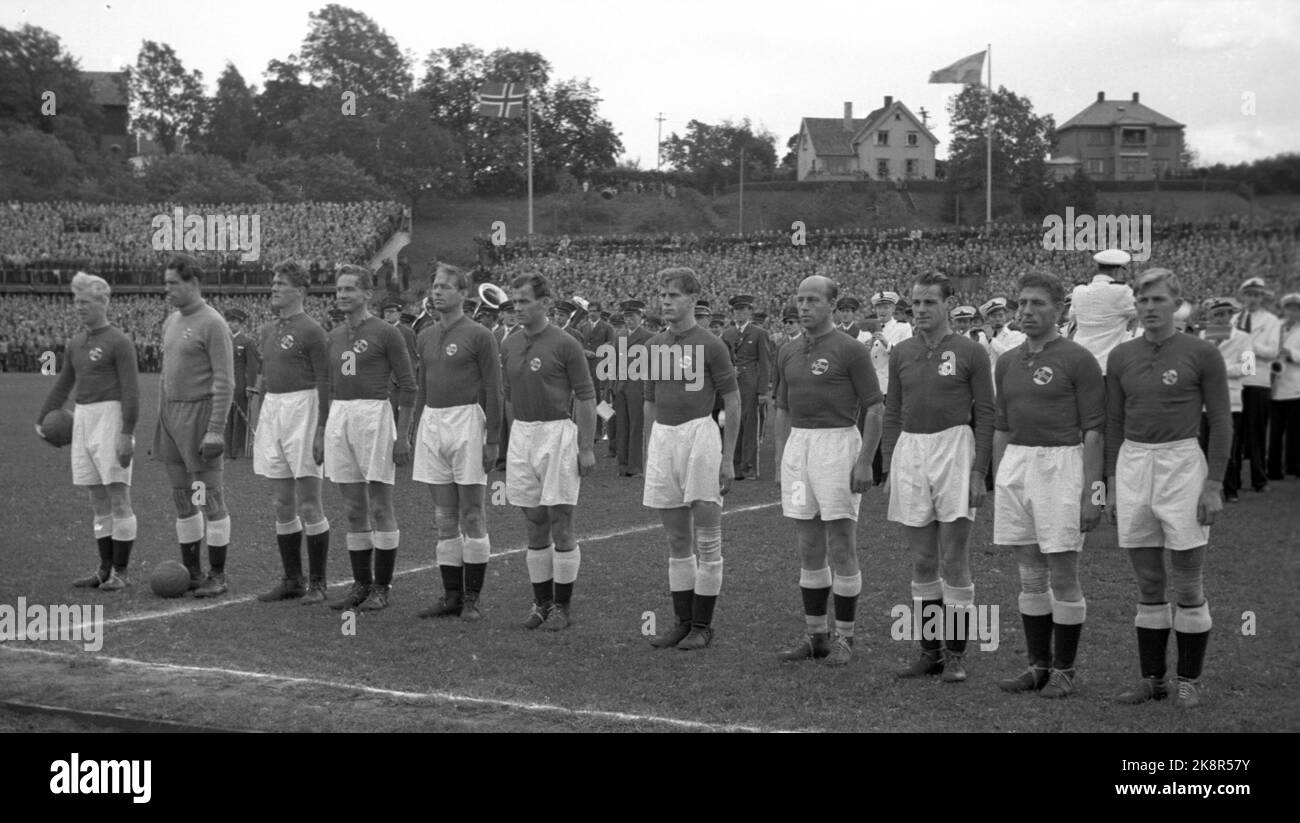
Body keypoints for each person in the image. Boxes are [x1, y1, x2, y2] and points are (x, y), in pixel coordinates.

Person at [1105, 268, 1230, 708]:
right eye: (1142, 300)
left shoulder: (1202, 353)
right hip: (1135, 463)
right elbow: (1114, 423)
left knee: (1188, 582)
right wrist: (1112, 485)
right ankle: (1152, 679)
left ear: (1177, 303)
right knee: (1148, 581)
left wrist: (1214, 483)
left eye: (1158, 299)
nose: (1149, 307)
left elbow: (1220, 419)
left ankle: (1189, 678)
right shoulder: (1121, 357)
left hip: (1182, 464)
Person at [991, 271, 1105, 698]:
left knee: (1062, 570)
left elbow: (1094, 430)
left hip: (1062, 464)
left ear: (1059, 309)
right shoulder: (1006, 360)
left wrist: (1093, 492)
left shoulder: (1078, 359)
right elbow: (1001, 426)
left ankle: (1065, 669)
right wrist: (1001, 477)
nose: (1027, 311)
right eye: (1022, 303)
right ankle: (1037, 665)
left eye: (1037, 303)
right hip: (1017, 464)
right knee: (1029, 572)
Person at [883, 271, 995, 682]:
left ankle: (957, 653)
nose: (921, 310)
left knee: (954, 557)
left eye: (930, 302)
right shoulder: (902, 352)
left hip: (955, 449)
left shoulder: (970, 351)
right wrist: (891, 463)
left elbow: (986, 412)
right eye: (915, 303)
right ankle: (930, 652)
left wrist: (979, 471)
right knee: (923, 558)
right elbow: (892, 410)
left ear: (948, 304)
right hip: (912, 450)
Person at [773, 275, 883, 666]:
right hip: (800, 449)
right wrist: (781, 460)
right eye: (800, 299)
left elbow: (874, 407)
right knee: (808, 545)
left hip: (838, 447)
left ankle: (846, 637)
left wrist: (865, 460)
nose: (804, 306)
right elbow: (782, 408)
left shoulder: (851, 350)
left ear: (832, 304)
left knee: (840, 544)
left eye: (813, 300)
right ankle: (815, 634)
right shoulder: (787, 350)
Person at [643, 268, 741, 651]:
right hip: (665, 438)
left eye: (673, 295)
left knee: (707, 535)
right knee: (676, 537)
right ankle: (682, 623)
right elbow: (649, 399)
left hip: (700, 435)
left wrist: (728, 457)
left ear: (692, 300)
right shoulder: (652, 345)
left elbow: (732, 401)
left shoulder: (712, 345)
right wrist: (651, 445)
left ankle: (703, 625)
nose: (665, 301)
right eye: (662, 294)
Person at [499, 273, 597, 630]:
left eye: (525, 301)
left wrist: (586, 447)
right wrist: (514, 438)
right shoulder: (508, 344)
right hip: (522, 434)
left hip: (557, 434)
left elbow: (586, 398)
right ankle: (540, 603)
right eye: (515, 302)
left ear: (544, 303)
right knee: (534, 521)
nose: (518, 308)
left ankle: (562, 606)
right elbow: (508, 396)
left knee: (561, 521)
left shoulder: (565, 343)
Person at [36, 272, 140, 591]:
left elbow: (132, 391)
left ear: (103, 302)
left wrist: (127, 432)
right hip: (82, 418)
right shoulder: (75, 343)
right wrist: (42, 420)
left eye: (85, 301)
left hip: (111, 418)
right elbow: (64, 384)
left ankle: (120, 572)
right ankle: (103, 568)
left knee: (118, 496)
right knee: (97, 500)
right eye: (76, 301)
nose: (78, 307)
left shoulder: (119, 341)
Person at [323, 266, 417, 612]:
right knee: (352, 509)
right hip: (341, 414)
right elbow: (328, 386)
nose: (343, 295)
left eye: (350, 289)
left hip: (374, 416)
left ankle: (382, 586)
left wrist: (403, 434)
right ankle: (360, 585)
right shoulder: (332, 335)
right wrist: (323, 429)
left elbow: (408, 384)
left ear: (367, 294)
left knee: (380, 506)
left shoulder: (387, 333)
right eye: (339, 289)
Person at [412, 264, 502, 622]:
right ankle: (450, 595)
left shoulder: (480, 335)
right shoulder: (424, 335)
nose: (438, 292)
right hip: (434, 422)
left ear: (463, 294)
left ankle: (472, 598)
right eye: (435, 286)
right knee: (444, 517)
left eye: (447, 287)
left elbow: (494, 389)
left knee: (472, 513)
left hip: (467, 421)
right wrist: (416, 427)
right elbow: (422, 384)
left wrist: (493, 438)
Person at [153, 254, 235, 597]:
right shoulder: (170, 322)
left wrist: (215, 428)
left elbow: (225, 381)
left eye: (173, 283)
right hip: (170, 418)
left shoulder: (213, 323)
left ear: (193, 283)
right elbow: (164, 375)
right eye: (166, 282)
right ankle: (193, 571)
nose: (167, 289)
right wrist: (163, 419)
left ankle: (218, 574)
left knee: (209, 498)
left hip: (200, 419)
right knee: (181, 498)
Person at [251, 260, 333, 604]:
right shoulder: (268, 330)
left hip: (305, 408)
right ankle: (292, 579)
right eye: (273, 281)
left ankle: (318, 583)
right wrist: (260, 419)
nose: (274, 287)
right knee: (281, 502)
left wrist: (321, 430)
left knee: (309, 503)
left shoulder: (313, 330)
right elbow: (263, 379)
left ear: (299, 291)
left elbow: (327, 382)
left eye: (281, 283)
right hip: (275, 409)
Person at [1198, 298, 1252, 502]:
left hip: (1231, 398)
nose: (1221, 318)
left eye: (1225, 314)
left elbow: (1248, 368)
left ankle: (1231, 489)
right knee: (1204, 446)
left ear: (1232, 315)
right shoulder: (1204, 335)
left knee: (1230, 446)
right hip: (1206, 400)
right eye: (1217, 314)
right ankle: (1203, 487)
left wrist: (1220, 369)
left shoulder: (1245, 337)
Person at [1234, 277, 1281, 493]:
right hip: (1236, 381)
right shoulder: (1233, 318)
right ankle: (1232, 481)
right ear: (1243, 296)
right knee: (1235, 432)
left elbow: (1272, 352)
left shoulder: (1272, 321)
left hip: (1258, 380)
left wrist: (1247, 342)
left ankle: (1259, 479)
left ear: (1262, 297)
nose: (1252, 298)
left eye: (1257, 294)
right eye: (1249, 294)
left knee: (1257, 431)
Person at [719, 294, 770, 480]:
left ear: (750, 311)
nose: (739, 313)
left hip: (751, 382)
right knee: (732, 424)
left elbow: (765, 363)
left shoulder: (759, 333)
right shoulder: (728, 334)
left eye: (743, 309)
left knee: (750, 425)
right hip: (732, 383)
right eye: (736, 310)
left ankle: (748, 467)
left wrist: (763, 390)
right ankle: (734, 465)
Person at [1069, 249, 1136, 374]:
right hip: (1107, 367)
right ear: (1117, 270)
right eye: (1123, 271)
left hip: (1079, 366)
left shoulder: (1078, 291)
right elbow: (1142, 311)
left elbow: (1072, 317)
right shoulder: (1121, 291)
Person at [614, 299, 652, 478]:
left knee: (637, 426)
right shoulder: (620, 338)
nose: (629, 320)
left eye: (633, 317)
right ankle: (623, 464)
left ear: (640, 318)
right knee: (622, 425)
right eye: (627, 317)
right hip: (621, 386)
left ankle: (635, 465)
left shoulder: (647, 337)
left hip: (638, 385)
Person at [1269, 292, 1300, 480]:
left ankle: (1294, 466)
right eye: (1289, 308)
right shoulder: (1276, 327)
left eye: (1296, 308)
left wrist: (1291, 353)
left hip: (1295, 386)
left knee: (1295, 431)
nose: (1292, 311)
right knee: (1274, 431)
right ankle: (1273, 468)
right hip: (1274, 385)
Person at [224, 309, 256, 459]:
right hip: (224, 385)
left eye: (235, 322)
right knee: (225, 418)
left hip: (240, 386)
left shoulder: (247, 342)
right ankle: (226, 449)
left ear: (241, 324)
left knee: (239, 419)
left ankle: (238, 450)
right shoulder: (223, 340)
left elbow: (252, 366)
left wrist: (250, 386)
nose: (231, 325)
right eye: (229, 321)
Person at [382, 295, 419, 423]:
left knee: (400, 419)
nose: (387, 315)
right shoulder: (380, 330)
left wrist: (408, 381)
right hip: (384, 382)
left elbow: (412, 359)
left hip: (398, 382)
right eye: (386, 312)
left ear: (399, 314)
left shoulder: (406, 332)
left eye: (391, 312)